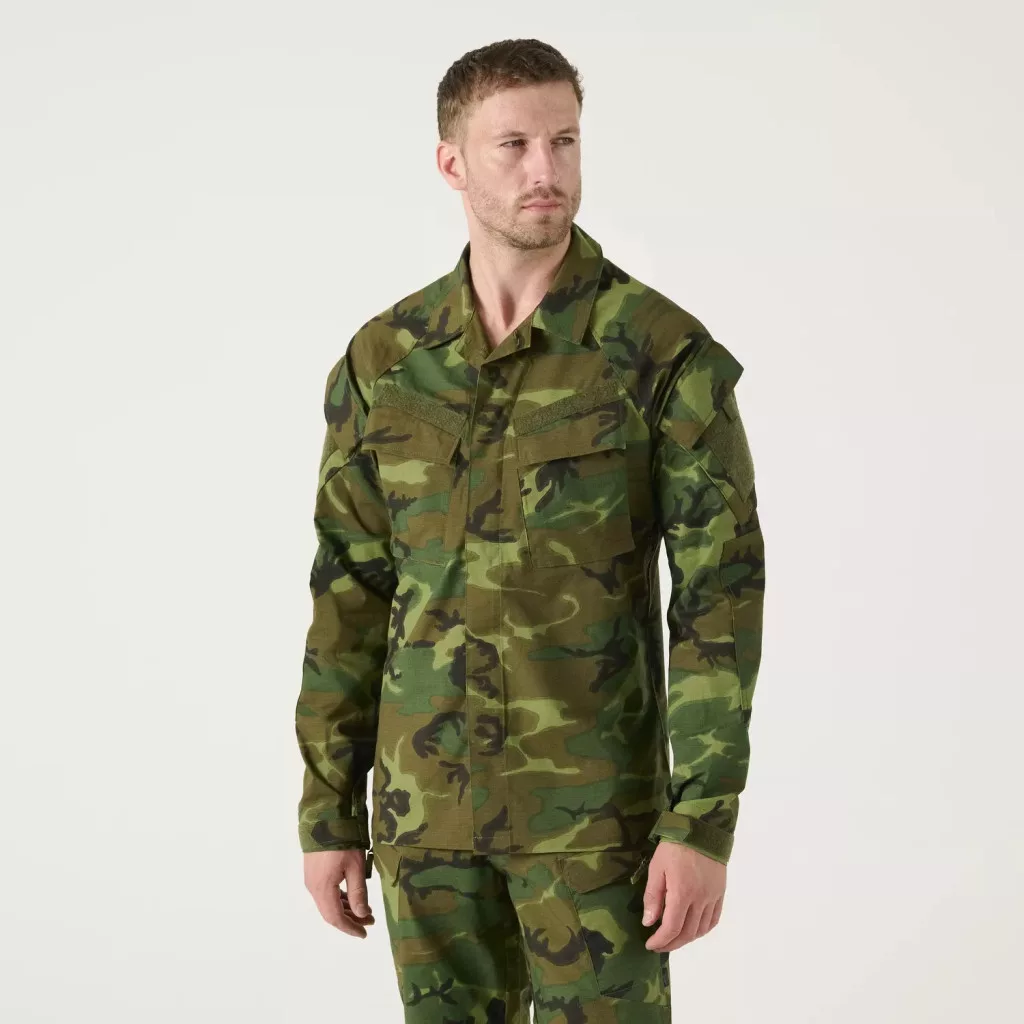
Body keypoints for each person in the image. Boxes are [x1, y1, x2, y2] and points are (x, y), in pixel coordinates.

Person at [294, 37, 765, 1023]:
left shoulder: (661, 354)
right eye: (512, 145)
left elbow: (719, 598)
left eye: (564, 141)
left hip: (595, 825)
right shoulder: (386, 361)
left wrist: (701, 821)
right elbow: (349, 593)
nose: (544, 169)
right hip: (425, 818)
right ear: (452, 162)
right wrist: (328, 810)